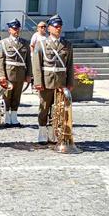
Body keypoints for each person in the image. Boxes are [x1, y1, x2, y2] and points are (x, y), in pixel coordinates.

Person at [32, 14, 74, 144]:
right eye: (56, 26)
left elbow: (70, 65)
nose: (58, 29)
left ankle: (53, 133)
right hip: (46, 81)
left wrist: (70, 82)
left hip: (61, 81)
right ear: (49, 28)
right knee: (44, 107)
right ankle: (42, 132)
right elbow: (36, 64)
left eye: (60, 26)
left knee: (58, 109)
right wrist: (38, 82)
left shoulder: (66, 45)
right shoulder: (41, 44)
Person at [0, 18, 32, 127]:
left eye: (17, 28)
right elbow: (0, 60)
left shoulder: (25, 43)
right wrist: (1, 75)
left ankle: (14, 117)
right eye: (14, 29)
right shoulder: (3, 43)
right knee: (7, 96)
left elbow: (28, 61)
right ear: (9, 30)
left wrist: (28, 74)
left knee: (17, 96)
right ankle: (7, 117)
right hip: (8, 73)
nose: (16, 31)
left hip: (20, 73)